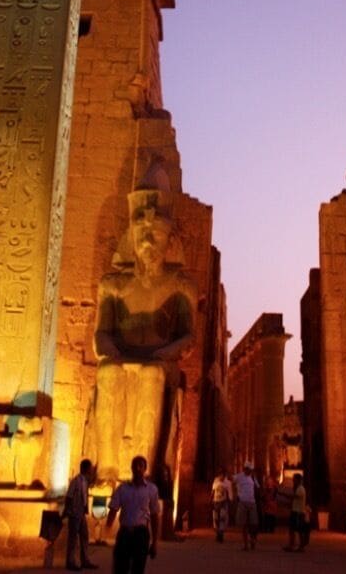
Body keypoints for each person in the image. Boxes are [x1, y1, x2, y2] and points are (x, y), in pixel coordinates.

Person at [93, 162, 197, 486]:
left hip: (160, 361)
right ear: (131, 238)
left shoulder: (180, 286)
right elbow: (101, 334)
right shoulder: (113, 285)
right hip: (122, 356)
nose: (148, 242)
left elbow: (188, 337)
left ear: (170, 241)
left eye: (156, 235)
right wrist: (113, 351)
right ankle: (108, 469)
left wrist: (165, 352)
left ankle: (142, 471)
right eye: (142, 235)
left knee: (151, 374)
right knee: (108, 372)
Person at [106, 455, 160, 574]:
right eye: (135, 466)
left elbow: (154, 515)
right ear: (131, 468)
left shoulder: (151, 489)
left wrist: (155, 542)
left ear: (145, 469)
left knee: (138, 568)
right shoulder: (122, 489)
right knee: (120, 567)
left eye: (141, 466)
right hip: (125, 532)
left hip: (141, 534)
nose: (138, 468)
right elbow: (113, 509)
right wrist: (107, 530)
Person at [64, 458, 98, 571]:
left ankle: (85, 560)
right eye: (90, 468)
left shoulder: (85, 481)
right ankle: (70, 561)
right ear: (86, 468)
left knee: (84, 536)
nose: (91, 470)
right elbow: (69, 496)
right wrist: (68, 510)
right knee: (73, 538)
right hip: (74, 512)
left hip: (81, 513)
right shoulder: (76, 481)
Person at [233, 461, 259, 551]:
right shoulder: (239, 476)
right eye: (248, 469)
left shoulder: (253, 477)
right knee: (243, 524)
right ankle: (246, 544)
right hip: (243, 502)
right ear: (244, 469)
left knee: (253, 523)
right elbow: (231, 479)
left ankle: (252, 540)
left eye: (250, 470)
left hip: (252, 502)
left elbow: (257, 487)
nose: (249, 471)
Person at [284, 473, 307, 552]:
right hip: (295, 511)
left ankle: (301, 547)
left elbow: (295, 497)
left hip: (298, 512)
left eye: (294, 479)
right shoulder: (298, 488)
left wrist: (284, 495)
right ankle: (292, 545)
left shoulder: (300, 488)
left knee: (299, 530)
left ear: (298, 480)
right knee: (292, 529)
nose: (293, 481)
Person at [210, 466, 231, 542]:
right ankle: (217, 533)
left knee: (222, 518)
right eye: (220, 474)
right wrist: (211, 499)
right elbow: (213, 490)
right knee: (216, 518)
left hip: (223, 502)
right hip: (216, 501)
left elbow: (229, 493)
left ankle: (221, 534)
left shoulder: (227, 482)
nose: (221, 476)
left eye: (222, 474)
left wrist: (229, 501)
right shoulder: (216, 480)